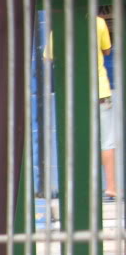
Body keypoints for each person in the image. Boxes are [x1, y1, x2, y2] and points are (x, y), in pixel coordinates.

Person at [44, 15, 116, 200]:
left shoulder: (60, 24)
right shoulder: (98, 22)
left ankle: (78, 187)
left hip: (73, 93)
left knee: (75, 141)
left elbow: (49, 56)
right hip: (100, 90)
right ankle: (111, 188)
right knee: (106, 142)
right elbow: (107, 50)